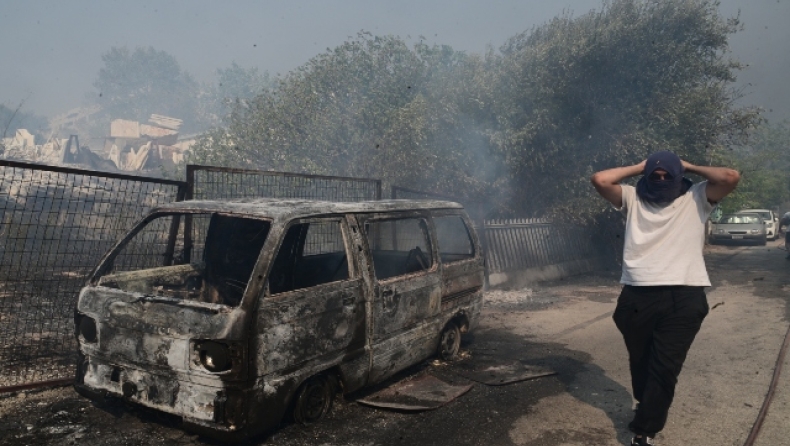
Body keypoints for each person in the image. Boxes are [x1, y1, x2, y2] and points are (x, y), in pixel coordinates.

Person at [590, 151, 740, 446]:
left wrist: (689, 165)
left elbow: (730, 177)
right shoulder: (633, 198)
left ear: (678, 176)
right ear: (646, 177)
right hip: (637, 295)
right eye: (655, 176)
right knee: (641, 360)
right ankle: (646, 403)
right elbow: (600, 179)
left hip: (684, 296)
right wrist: (641, 167)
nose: (660, 180)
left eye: (667, 175)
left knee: (664, 366)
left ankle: (644, 430)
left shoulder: (697, 197)